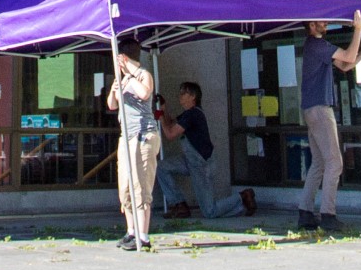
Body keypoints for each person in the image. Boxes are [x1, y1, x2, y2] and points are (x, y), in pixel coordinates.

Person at [299, 11, 361, 232]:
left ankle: (305, 213)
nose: (326, 22)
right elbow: (347, 57)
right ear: (311, 24)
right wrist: (357, 30)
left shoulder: (316, 47)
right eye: (322, 20)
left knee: (319, 163)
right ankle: (328, 215)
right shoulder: (317, 45)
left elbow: (345, 66)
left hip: (311, 109)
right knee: (334, 162)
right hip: (320, 108)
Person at [157, 81, 255, 219]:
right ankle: (179, 205)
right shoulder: (187, 114)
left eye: (184, 93)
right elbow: (172, 123)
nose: (180, 95)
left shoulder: (193, 115)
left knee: (210, 211)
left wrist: (160, 116)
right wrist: (163, 108)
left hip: (201, 164)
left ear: (193, 96)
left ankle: (242, 197)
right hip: (190, 160)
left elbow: (170, 134)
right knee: (161, 167)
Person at [106, 38, 159, 251]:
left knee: (141, 186)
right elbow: (111, 105)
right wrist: (114, 87)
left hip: (143, 136)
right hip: (126, 137)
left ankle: (143, 236)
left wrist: (129, 73)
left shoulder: (143, 75)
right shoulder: (122, 78)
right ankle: (131, 231)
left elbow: (145, 93)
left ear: (125, 57)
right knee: (125, 187)